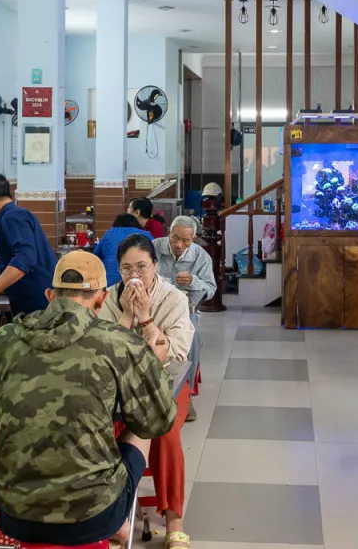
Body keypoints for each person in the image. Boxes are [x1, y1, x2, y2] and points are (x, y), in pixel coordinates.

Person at [0, 251, 176, 547]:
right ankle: (119, 524)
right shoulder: (120, 342)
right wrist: (151, 365)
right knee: (140, 426)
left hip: (14, 511)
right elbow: (158, 420)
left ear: (50, 295)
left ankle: (116, 524)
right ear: (101, 299)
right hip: (94, 514)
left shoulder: (5, 338)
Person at [99, 235, 194, 549]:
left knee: (165, 432)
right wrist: (126, 316)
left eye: (142, 266)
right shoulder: (109, 298)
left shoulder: (174, 299)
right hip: (117, 388)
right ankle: (114, 514)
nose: (134, 275)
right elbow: (103, 354)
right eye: (127, 268)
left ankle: (174, 522)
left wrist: (145, 317)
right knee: (97, 428)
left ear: (155, 266)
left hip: (165, 384)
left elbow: (173, 354)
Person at [0, 173, 58, 316]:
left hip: (38, 301)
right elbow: (5, 264)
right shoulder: (9, 216)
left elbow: (25, 258)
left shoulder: (12, 217)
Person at [154, 214, 217, 422]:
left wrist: (193, 281)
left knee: (193, 338)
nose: (179, 245)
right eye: (175, 238)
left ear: (194, 238)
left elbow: (211, 289)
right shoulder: (154, 247)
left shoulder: (200, 256)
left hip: (185, 311)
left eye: (185, 241)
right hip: (153, 309)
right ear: (168, 233)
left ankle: (184, 395)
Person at [94, 213, 153, 286]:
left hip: (109, 283)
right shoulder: (146, 234)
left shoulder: (110, 233)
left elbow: (95, 257)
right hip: (141, 282)